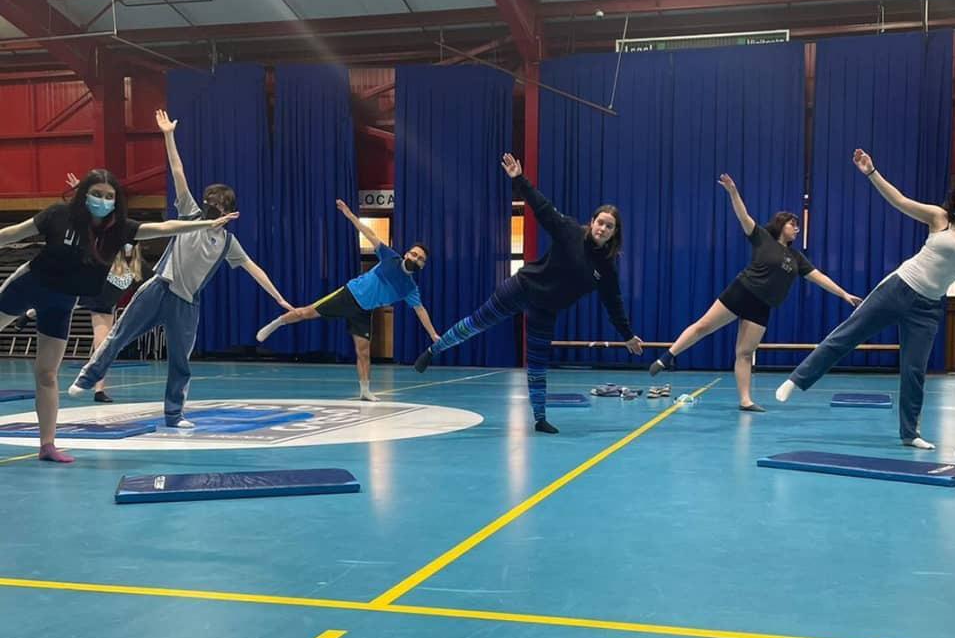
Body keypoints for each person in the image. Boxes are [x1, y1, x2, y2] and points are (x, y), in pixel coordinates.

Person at [69, 110, 293, 427]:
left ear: (231, 210)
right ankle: (90, 376)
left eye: (218, 204)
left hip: (186, 304)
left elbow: (255, 269)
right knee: (119, 335)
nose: (211, 206)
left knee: (180, 361)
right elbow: (178, 171)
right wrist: (168, 135)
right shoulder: (189, 215)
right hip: (159, 288)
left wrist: (279, 297)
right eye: (209, 201)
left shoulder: (228, 243)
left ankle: (174, 414)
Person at [0, 168, 238, 463]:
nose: (102, 200)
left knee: (47, 374)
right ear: (84, 195)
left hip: (61, 304)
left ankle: (47, 445)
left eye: (108, 196)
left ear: (116, 201)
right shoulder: (58, 215)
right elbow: (12, 234)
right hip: (27, 287)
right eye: (96, 194)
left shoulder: (120, 230)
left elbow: (165, 228)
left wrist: (207, 223)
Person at [414, 153, 643, 433]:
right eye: (601, 222)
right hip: (522, 288)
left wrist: (627, 335)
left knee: (537, 364)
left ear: (614, 233)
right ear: (592, 221)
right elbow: (542, 208)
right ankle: (433, 350)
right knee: (476, 324)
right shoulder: (570, 231)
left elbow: (613, 303)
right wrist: (519, 179)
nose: (603, 228)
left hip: (546, 310)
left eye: (609, 226)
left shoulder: (607, 268)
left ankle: (540, 418)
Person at [776, 149, 955, 450]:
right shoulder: (940, 218)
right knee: (849, 334)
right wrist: (871, 172)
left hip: (928, 307)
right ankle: (797, 379)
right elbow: (899, 201)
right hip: (900, 287)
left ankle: (910, 433)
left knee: (914, 370)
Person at [647, 174, 862, 412]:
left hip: (762, 306)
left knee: (745, 353)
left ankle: (745, 400)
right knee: (703, 326)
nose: (796, 228)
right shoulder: (762, 237)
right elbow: (743, 215)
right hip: (742, 291)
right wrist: (733, 192)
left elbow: (819, 277)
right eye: (792, 224)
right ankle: (668, 356)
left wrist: (843, 294)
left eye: (798, 226)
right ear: (781, 225)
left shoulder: (796, 258)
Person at [256, 198, 440, 401]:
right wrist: (350, 215)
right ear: (407, 254)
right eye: (414, 254)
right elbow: (369, 234)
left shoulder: (410, 288)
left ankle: (365, 391)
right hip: (349, 295)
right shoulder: (390, 257)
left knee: (363, 352)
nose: (416, 259)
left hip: (364, 311)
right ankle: (276, 323)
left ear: (422, 265)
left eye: (420, 259)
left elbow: (421, 311)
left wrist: (433, 334)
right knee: (305, 313)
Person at [14, 242, 146, 402]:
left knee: (103, 346)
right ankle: (30, 313)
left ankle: (99, 390)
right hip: (88, 295)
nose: (129, 249)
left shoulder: (138, 266)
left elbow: (152, 281)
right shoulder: (106, 257)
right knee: (57, 302)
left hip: (106, 306)